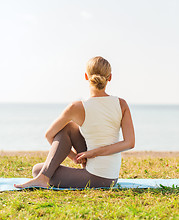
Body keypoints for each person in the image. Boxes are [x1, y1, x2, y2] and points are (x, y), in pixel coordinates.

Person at [14, 56, 135, 189]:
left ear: (86, 76)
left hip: (97, 178)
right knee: (70, 127)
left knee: (37, 169)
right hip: (112, 176)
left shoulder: (76, 107)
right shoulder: (121, 104)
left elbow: (49, 135)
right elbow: (129, 143)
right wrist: (77, 157)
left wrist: (88, 154)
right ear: (110, 77)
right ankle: (43, 177)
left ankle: (42, 178)